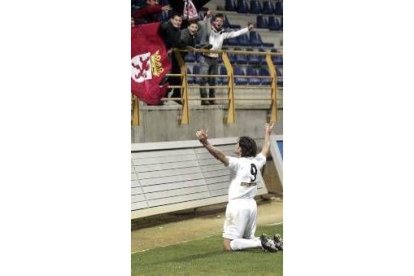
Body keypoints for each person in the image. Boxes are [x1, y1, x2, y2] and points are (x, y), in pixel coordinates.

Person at [195, 123, 283, 252]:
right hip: (251, 206)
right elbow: (265, 148)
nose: (235, 146)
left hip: (238, 206)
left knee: (228, 245)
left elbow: (219, 155)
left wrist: (205, 143)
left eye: (238, 144)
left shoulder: (238, 163)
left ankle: (260, 242)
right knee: (247, 238)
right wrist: (267, 133)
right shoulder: (257, 161)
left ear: (241, 149)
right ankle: (273, 242)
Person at [198, 13, 254, 105]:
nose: (219, 22)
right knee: (203, 79)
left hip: (215, 58)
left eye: (221, 21)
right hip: (205, 57)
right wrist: (207, 17)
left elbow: (235, 33)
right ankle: (204, 100)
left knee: (213, 80)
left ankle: (212, 99)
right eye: (217, 21)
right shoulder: (208, 29)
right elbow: (204, 25)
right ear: (213, 22)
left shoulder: (223, 33)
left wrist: (247, 29)